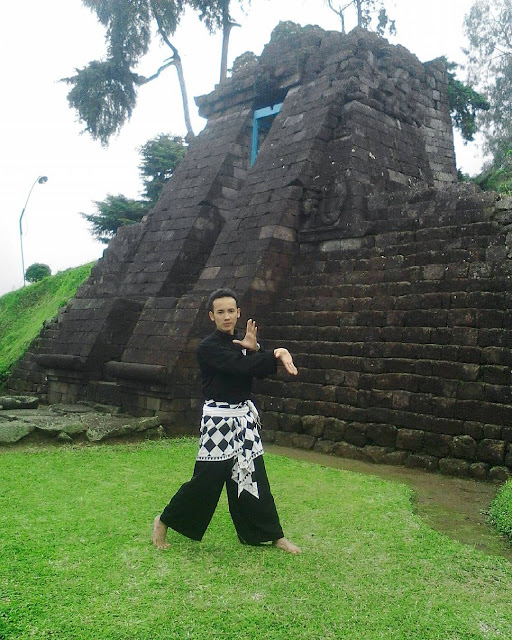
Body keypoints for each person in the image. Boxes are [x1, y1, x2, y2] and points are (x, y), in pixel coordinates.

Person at [152, 287, 302, 554]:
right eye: (220, 312)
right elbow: (239, 367)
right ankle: (164, 521)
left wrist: (255, 350)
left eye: (231, 311)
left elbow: (254, 369)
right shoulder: (207, 348)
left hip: (243, 419)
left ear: (239, 313)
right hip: (218, 422)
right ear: (211, 316)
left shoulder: (245, 344)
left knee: (254, 476)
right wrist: (275, 353)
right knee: (207, 481)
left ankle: (272, 535)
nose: (227, 316)